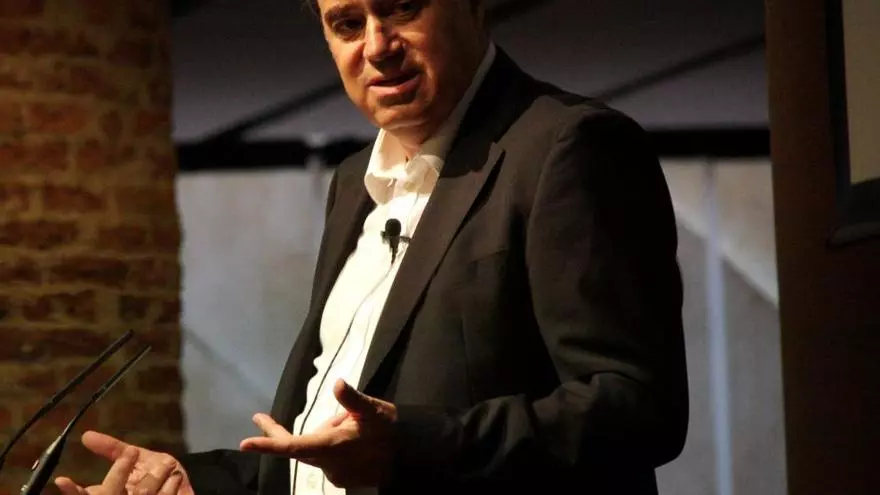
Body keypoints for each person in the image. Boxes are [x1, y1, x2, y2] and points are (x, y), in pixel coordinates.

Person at [60, 0, 689, 493]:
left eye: (402, 7)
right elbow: (332, 452)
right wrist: (196, 480)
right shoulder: (352, 182)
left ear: (475, 6)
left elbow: (637, 408)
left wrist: (413, 445)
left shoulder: (569, 148)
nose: (377, 46)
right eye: (347, 23)